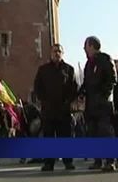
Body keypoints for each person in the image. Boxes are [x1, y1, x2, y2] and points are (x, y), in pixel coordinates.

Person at [33, 43, 77, 171]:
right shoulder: (43, 70)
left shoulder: (69, 69)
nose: (57, 53)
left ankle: (68, 161)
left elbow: (73, 88)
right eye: (54, 51)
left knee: (65, 137)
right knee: (49, 137)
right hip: (48, 110)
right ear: (51, 53)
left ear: (62, 53)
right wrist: (44, 101)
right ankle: (49, 163)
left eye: (59, 51)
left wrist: (68, 102)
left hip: (64, 110)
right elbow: (37, 87)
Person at [80, 36, 117, 172]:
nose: (84, 49)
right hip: (91, 105)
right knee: (93, 132)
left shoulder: (105, 59)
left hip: (103, 105)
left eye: (86, 46)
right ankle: (97, 160)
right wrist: (81, 93)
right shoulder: (88, 64)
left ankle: (110, 161)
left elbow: (112, 80)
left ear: (92, 46)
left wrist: (104, 96)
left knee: (105, 132)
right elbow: (86, 82)